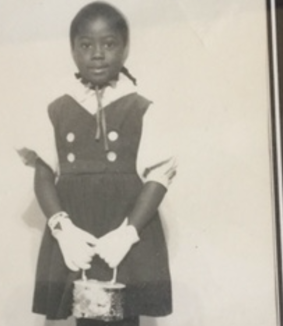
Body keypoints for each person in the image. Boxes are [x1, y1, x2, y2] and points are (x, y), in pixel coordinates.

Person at [20, 2, 176, 325]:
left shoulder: (142, 107)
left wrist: (129, 233)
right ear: (73, 50)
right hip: (77, 228)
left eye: (109, 44)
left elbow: (159, 176)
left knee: (123, 316)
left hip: (123, 223)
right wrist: (61, 229)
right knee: (86, 315)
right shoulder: (57, 107)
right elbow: (44, 172)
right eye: (86, 45)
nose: (98, 54)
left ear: (126, 47)